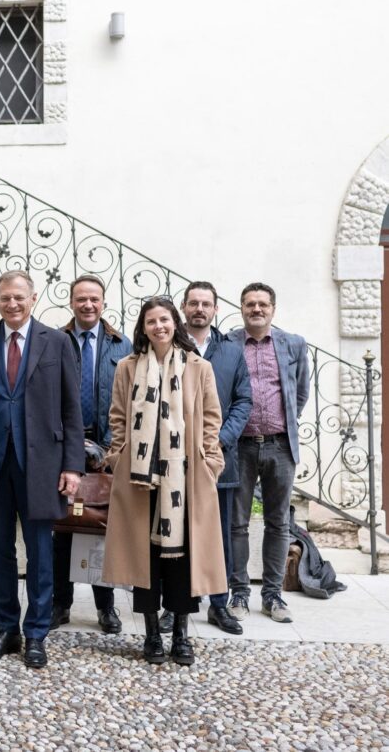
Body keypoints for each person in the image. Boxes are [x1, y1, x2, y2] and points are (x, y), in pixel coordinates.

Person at [0, 270, 84, 669]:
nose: (12, 304)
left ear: (33, 298)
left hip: (42, 466)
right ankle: (7, 628)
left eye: (19, 297)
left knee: (41, 553)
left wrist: (72, 466)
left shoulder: (57, 342)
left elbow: (71, 408)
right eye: (5, 297)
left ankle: (37, 633)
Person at [102, 296, 226, 666]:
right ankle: (152, 634)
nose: (159, 326)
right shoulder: (127, 367)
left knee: (181, 560)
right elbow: (117, 416)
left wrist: (210, 462)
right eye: (151, 321)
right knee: (146, 560)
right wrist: (118, 455)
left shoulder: (198, 367)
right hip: (139, 479)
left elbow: (212, 418)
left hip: (184, 479)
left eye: (165, 320)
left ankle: (182, 635)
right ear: (143, 328)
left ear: (176, 323)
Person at [52, 275, 132, 634]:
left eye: (94, 299)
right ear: (71, 302)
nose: (87, 305)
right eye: (81, 299)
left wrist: (113, 448)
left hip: (108, 449)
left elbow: (130, 398)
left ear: (103, 303)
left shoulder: (122, 344)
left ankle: (106, 607)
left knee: (102, 526)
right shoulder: (55, 341)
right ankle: (60, 604)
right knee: (64, 527)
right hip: (64, 447)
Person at [227, 282, 310, 624]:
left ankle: (272, 595)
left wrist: (283, 421)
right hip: (240, 446)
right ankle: (239, 592)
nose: (256, 309)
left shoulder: (293, 344)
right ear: (242, 308)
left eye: (263, 304)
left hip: (280, 445)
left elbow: (300, 392)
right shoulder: (228, 343)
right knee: (237, 522)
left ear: (273, 309)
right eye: (250, 304)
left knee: (278, 522)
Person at [179, 281, 252, 635]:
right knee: (177, 535)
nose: (199, 309)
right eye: (193, 303)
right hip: (175, 459)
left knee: (219, 536)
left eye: (205, 304)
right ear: (183, 307)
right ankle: (177, 605)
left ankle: (219, 605)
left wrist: (219, 441)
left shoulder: (231, 352)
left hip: (217, 461)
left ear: (215, 309)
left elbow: (243, 401)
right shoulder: (171, 346)